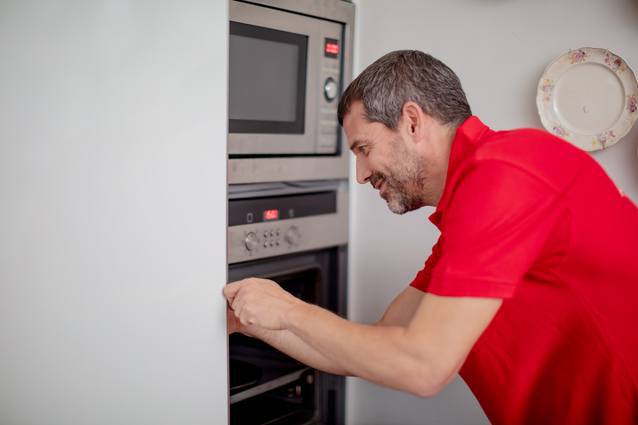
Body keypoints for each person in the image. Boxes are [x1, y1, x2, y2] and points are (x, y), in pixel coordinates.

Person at [224, 50, 638, 424]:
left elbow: (421, 367)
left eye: (364, 148)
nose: (361, 174)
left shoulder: (507, 174)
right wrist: (249, 320)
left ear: (412, 121)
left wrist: (289, 310)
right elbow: (381, 345)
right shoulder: (473, 201)